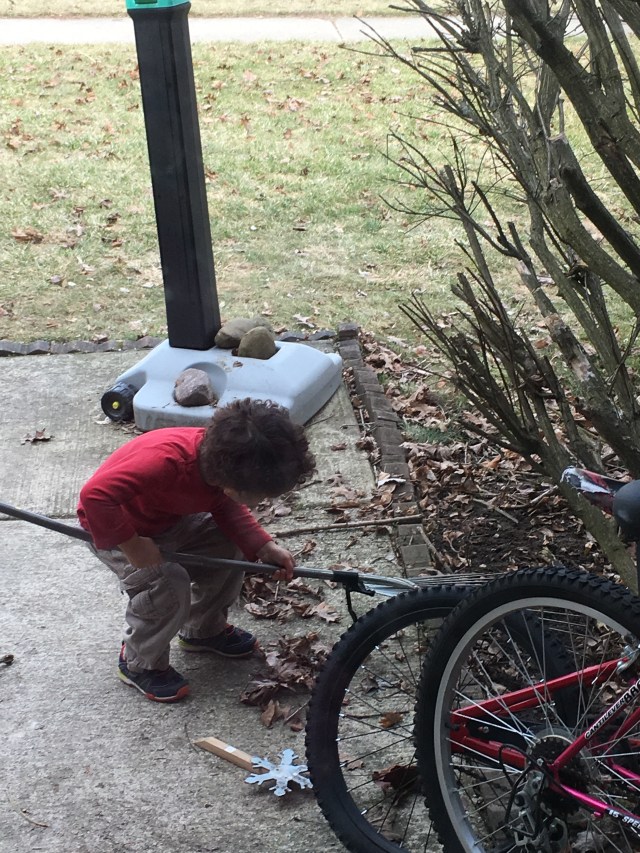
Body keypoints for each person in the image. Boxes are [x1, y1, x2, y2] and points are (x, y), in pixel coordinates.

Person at [78, 398, 315, 703]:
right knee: (166, 582)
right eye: (261, 496)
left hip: (168, 521)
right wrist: (133, 544)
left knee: (229, 545)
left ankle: (203, 630)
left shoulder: (219, 464)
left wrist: (262, 545)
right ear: (229, 481)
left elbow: (225, 507)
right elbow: (95, 496)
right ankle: (139, 662)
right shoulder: (163, 462)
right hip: (114, 527)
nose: (262, 502)